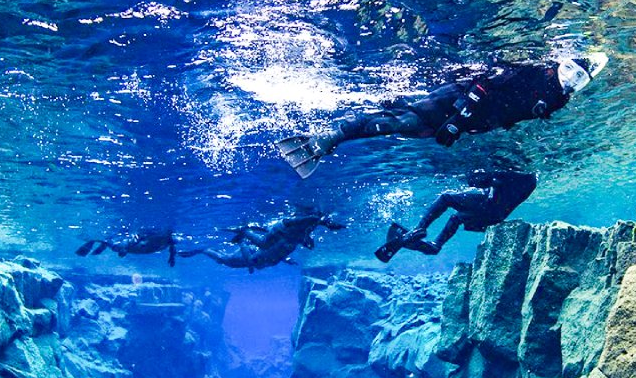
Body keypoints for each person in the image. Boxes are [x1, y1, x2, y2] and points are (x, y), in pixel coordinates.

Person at [276, 53, 606, 178]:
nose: (569, 80)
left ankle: (342, 130)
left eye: (578, 79)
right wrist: (458, 120)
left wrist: (463, 125)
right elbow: (484, 83)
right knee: (399, 122)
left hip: (466, 120)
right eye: (570, 71)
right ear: (560, 64)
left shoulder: (556, 99)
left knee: (402, 125)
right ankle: (328, 137)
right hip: (456, 102)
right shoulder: (533, 73)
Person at [375, 170, 537, 262]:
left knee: (446, 198)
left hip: (489, 207)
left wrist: (477, 177)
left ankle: (419, 229)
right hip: (495, 217)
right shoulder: (528, 178)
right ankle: (435, 245)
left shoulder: (509, 173)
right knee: (456, 218)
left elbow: (482, 181)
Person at [176, 209, 346, 272]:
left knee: (231, 259)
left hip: (279, 236)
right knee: (227, 259)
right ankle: (242, 232)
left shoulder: (267, 258)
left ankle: (243, 232)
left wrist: (287, 258)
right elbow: (298, 224)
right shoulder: (259, 258)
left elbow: (277, 251)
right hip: (279, 232)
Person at [76, 231, 181, 265]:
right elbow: (141, 238)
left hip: (137, 247)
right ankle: (96, 243)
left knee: (114, 246)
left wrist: (172, 257)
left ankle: (99, 244)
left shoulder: (167, 243)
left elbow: (172, 245)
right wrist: (171, 257)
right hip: (135, 246)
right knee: (114, 246)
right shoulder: (161, 240)